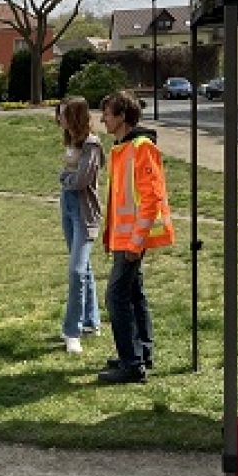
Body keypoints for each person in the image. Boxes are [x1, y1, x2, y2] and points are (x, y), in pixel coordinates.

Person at [98, 90, 174, 384]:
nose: (102, 119)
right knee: (132, 293)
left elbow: (151, 198)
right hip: (125, 238)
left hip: (132, 239)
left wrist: (135, 241)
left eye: (106, 114)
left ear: (121, 116)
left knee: (116, 297)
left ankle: (131, 364)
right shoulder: (123, 148)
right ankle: (141, 353)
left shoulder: (141, 147)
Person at [57, 97, 104, 354]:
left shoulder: (92, 145)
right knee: (83, 268)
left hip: (85, 212)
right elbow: (72, 179)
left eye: (63, 114)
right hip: (68, 207)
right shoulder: (72, 142)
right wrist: (68, 179)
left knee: (76, 271)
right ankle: (91, 322)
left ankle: (72, 330)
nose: (59, 118)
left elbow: (81, 180)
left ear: (75, 116)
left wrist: (64, 177)